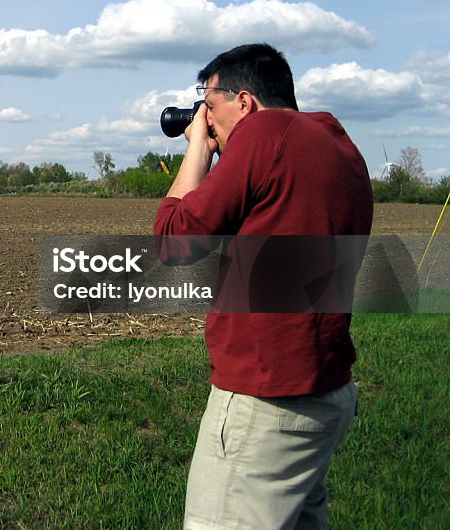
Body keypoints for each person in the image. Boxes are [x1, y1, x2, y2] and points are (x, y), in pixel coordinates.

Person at [154, 43, 373, 530]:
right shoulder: (336, 143)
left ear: (246, 103)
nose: (206, 121)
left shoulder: (265, 133)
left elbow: (174, 240)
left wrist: (197, 150)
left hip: (266, 400)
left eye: (209, 108)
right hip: (324, 393)